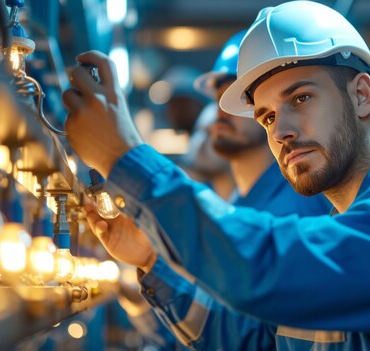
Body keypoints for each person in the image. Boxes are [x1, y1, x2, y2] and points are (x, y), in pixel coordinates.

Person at [63, 1, 370, 349]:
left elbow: (262, 268)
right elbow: (255, 344)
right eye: (269, 117)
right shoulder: (345, 231)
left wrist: (128, 157)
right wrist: (151, 262)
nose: (283, 132)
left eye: (300, 99)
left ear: (362, 94)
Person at [123, 30, 333, 350]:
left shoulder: (298, 210)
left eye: (239, 100)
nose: (219, 112)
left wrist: (126, 160)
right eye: (218, 98)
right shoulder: (240, 208)